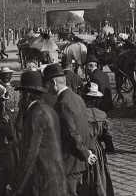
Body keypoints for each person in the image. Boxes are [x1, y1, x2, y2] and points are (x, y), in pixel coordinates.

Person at [7, 71, 67, 196]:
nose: (19, 99)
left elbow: (30, 154)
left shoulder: (35, 114)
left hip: (42, 183)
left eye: (21, 94)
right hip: (56, 179)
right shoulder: (48, 109)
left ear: (27, 94)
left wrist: (15, 185)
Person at [43, 63, 97, 196]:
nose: (47, 88)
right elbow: (85, 127)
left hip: (69, 162)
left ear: (54, 83)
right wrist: (87, 151)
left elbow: (72, 133)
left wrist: (86, 153)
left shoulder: (63, 103)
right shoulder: (77, 98)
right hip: (78, 161)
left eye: (47, 84)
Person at [79, 82, 115, 196]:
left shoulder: (81, 114)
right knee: (100, 173)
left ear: (84, 98)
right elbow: (107, 135)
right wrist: (109, 147)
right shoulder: (102, 114)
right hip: (98, 148)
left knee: (86, 175)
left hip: (85, 147)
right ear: (96, 100)